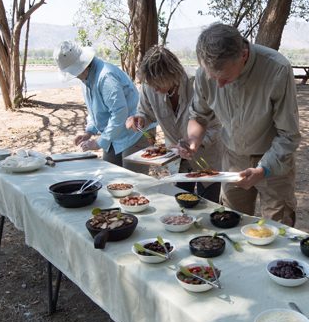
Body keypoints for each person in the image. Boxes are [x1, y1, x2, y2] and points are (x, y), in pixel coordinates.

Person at [181, 23, 301, 225]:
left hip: (273, 160)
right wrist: (193, 142)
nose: (218, 85)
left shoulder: (277, 69)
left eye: (225, 78)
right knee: (230, 220)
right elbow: (199, 115)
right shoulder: (204, 73)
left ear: (243, 55)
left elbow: (288, 135)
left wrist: (264, 169)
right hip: (233, 158)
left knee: (278, 228)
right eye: (213, 78)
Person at [125, 45, 223, 202]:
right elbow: (145, 112)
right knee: (179, 203)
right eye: (151, 85)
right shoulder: (148, 86)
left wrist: (196, 144)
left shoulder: (198, 84)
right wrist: (139, 118)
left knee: (208, 205)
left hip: (207, 156)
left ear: (172, 74)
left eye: (158, 84)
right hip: (175, 160)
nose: (154, 90)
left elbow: (217, 126)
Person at [53, 41, 152, 172]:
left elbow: (119, 113)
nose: (74, 76)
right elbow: (95, 110)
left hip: (136, 133)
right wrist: (89, 132)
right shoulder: (86, 79)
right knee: (109, 177)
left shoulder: (106, 77)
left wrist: (99, 142)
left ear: (83, 65)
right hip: (114, 135)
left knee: (133, 182)